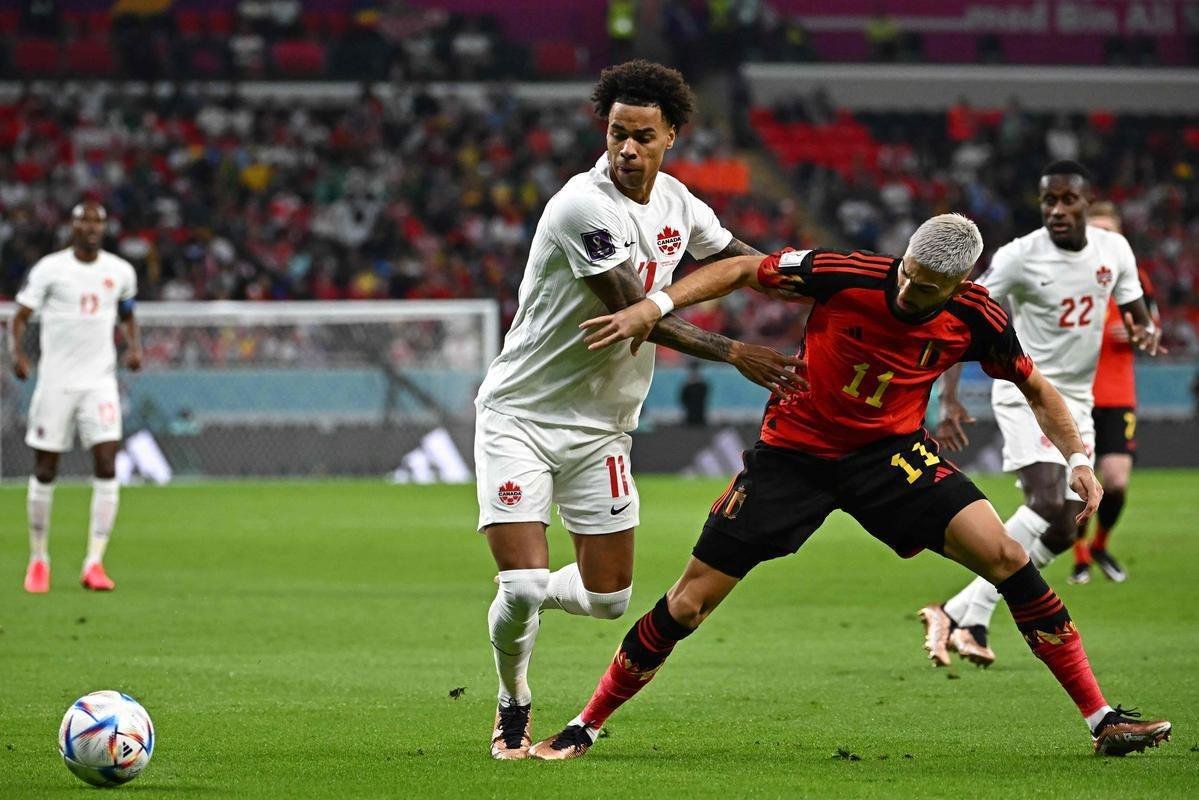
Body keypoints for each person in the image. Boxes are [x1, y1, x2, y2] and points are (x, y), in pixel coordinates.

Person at [526, 213, 1170, 760]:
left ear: (960, 284)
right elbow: (739, 269)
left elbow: (1037, 389)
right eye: (910, 273)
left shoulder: (977, 317)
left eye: (929, 287)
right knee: (690, 603)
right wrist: (655, 305)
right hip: (791, 456)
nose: (911, 290)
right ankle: (586, 724)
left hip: (890, 456)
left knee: (1007, 556)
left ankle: (1101, 720)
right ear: (907, 256)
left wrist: (1079, 458)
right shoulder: (844, 271)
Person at [473, 60, 802, 760]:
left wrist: (824, 284)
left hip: (602, 429)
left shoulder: (681, 204)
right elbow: (633, 308)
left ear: (672, 136)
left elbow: (746, 261)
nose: (626, 148)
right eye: (617, 133)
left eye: (643, 137)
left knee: (607, 600)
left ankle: (530, 604)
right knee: (525, 582)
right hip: (520, 417)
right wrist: (734, 351)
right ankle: (511, 701)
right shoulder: (578, 205)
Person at [924, 162, 1161, 668]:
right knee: (1049, 499)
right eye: (1048, 200)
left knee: (1066, 527)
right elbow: (960, 316)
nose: (1056, 210)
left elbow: (1138, 310)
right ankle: (970, 614)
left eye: (1067, 200)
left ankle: (960, 610)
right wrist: (948, 397)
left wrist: (1146, 331)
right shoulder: (1019, 257)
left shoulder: (1113, 250)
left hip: (1079, 400)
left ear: (1086, 200)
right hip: (1026, 390)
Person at [10, 201, 142, 593]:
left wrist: (134, 347)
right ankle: (38, 559)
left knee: (106, 461)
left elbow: (128, 311)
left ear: (104, 228)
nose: (90, 227)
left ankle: (94, 562)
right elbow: (19, 317)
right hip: (55, 383)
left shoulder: (120, 272)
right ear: (72, 226)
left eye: (97, 221)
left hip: (99, 382)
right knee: (46, 468)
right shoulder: (51, 269)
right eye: (83, 220)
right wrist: (16, 355)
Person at [1069, 202, 1158, 584]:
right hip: (1072, 393)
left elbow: (1152, 327)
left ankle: (1100, 545)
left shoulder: (1134, 278)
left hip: (1117, 393)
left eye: (1111, 231)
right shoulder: (1066, 274)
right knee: (1075, 482)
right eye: (1097, 231)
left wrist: (1144, 333)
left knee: (1117, 481)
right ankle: (1079, 555)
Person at [679, 361, 710, 426]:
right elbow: (683, 398)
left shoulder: (701, 385)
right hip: (691, 417)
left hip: (698, 417)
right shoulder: (689, 385)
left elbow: (683, 398)